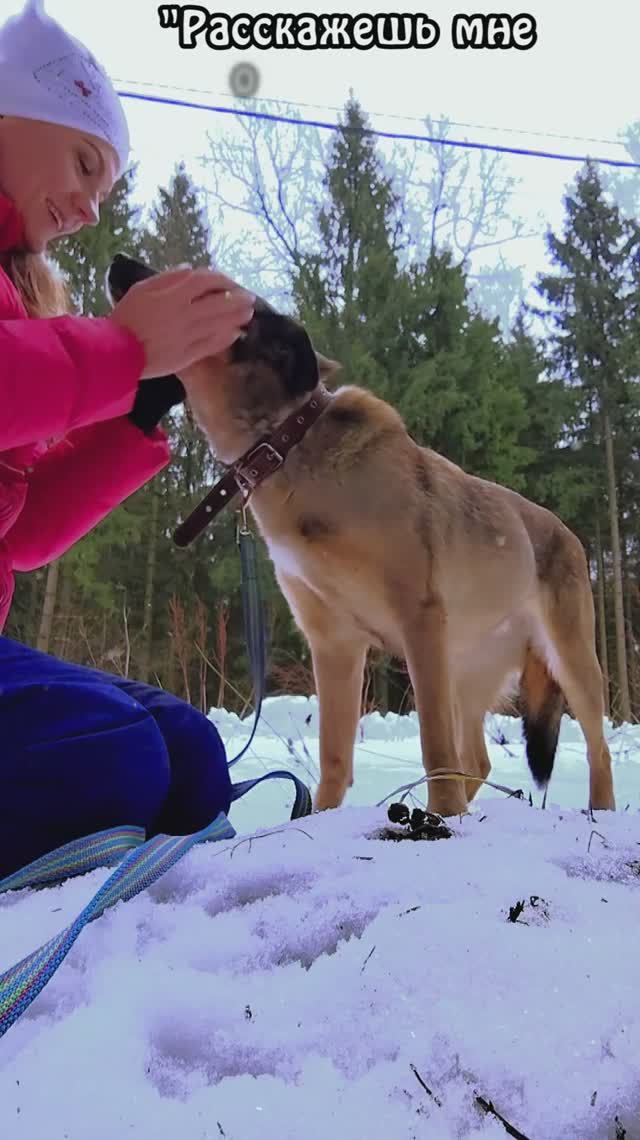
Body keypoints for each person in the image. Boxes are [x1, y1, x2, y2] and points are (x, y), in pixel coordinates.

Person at [0, 0, 257, 879]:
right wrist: (119, 350)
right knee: (112, 758)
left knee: (187, 752)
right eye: (82, 161)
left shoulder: (19, 294)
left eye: (104, 188)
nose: (87, 205)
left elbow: (23, 534)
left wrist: (139, 405)